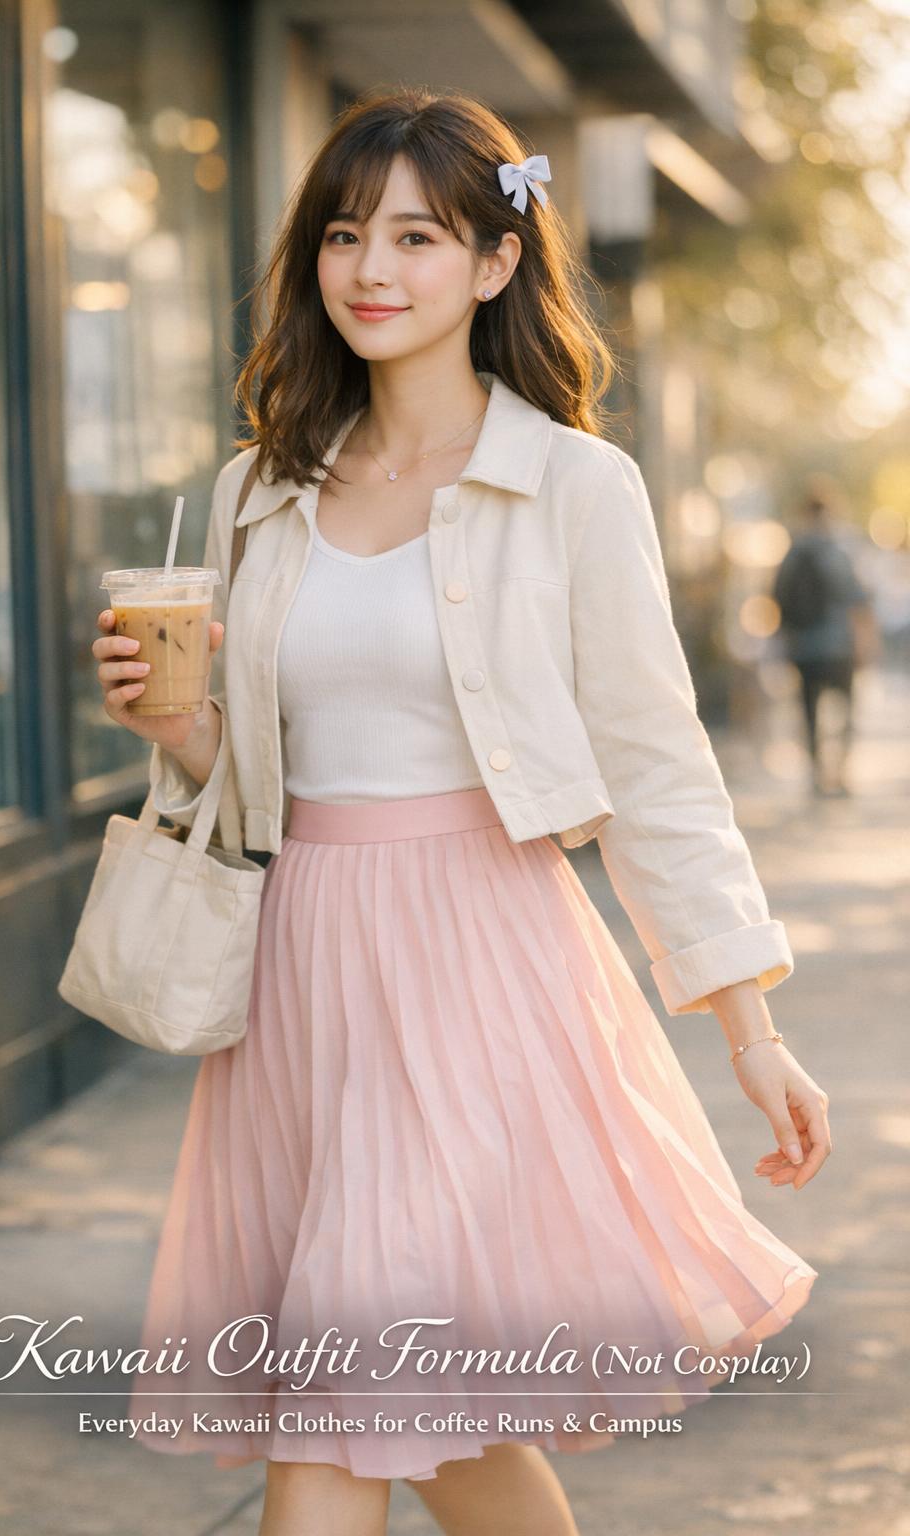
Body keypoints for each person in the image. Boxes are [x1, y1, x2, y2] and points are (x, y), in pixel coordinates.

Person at [92, 89, 830, 1536]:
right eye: (346, 234)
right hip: (300, 980)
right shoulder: (258, 491)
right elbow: (241, 775)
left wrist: (752, 1027)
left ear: (496, 263)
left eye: (419, 236)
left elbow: (659, 772)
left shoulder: (569, 486)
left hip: (482, 971)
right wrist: (170, 725)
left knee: (341, 1402)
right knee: (435, 1418)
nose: (374, 267)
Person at [772, 485, 878, 796]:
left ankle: (817, 773)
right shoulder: (841, 549)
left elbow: (778, 598)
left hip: (803, 647)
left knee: (809, 711)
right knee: (846, 710)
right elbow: (858, 601)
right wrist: (866, 643)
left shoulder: (792, 551)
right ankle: (841, 772)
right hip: (839, 646)